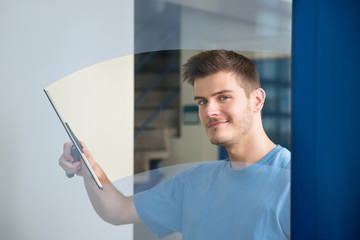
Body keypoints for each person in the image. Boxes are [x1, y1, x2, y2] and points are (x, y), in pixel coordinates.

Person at [59, 50, 290, 239]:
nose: (209, 111)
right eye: (202, 101)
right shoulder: (195, 181)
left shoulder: (297, 183)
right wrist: (89, 169)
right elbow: (118, 211)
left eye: (223, 97)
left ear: (257, 100)